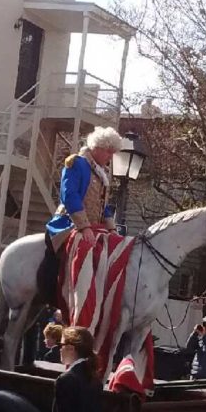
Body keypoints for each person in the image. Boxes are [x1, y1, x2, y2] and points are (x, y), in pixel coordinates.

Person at [38, 127, 123, 306]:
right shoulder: (77, 163)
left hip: (93, 227)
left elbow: (103, 206)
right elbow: (70, 195)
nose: (110, 157)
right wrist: (84, 227)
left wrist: (112, 229)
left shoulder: (101, 173)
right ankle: (58, 295)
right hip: (69, 222)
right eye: (109, 152)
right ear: (98, 147)